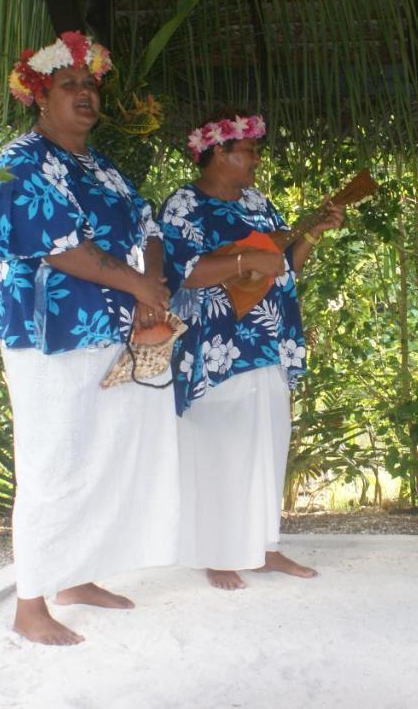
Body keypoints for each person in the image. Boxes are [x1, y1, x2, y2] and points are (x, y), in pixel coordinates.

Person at [0, 31, 179, 644]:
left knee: (98, 458)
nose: (86, 94)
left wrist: (150, 283)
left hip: (109, 329)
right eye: (70, 84)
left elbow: (146, 222)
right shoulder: (19, 161)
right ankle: (30, 605)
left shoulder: (101, 166)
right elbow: (65, 248)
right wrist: (143, 290)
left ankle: (77, 576)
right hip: (50, 336)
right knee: (54, 463)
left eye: (91, 85)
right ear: (40, 96)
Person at [159, 110, 343, 590]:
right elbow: (182, 274)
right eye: (251, 151)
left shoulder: (259, 202)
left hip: (269, 339)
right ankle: (218, 552)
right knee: (219, 446)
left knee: (267, 444)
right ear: (219, 151)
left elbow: (283, 266)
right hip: (215, 346)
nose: (257, 160)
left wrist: (312, 233)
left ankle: (263, 546)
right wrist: (243, 259)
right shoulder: (184, 204)